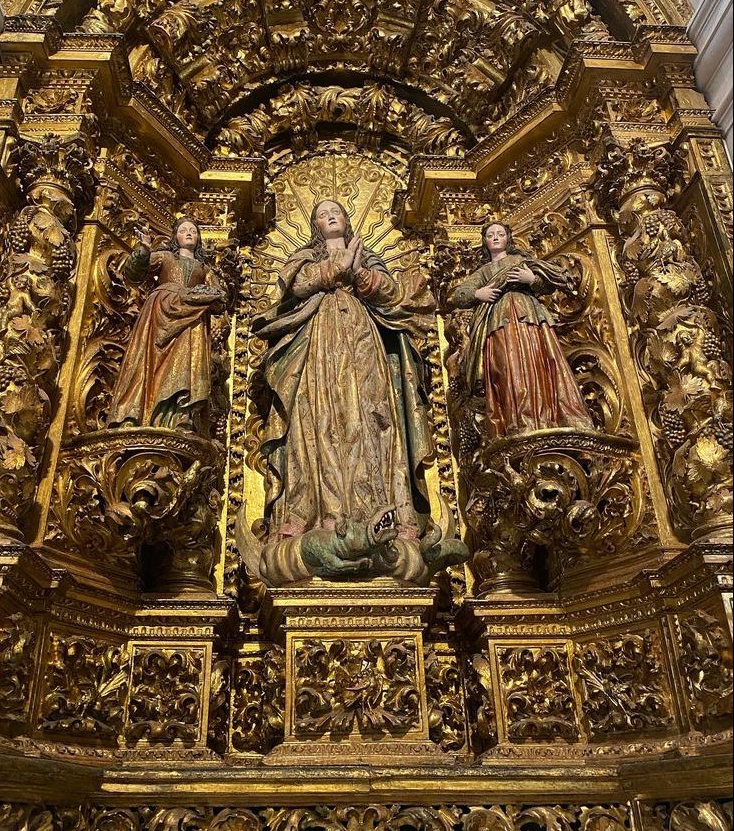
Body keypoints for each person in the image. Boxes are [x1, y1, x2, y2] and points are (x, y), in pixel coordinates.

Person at [252, 199, 435, 568]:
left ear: (347, 219)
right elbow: (298, 284)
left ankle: (382, 515)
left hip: (364, 339)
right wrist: (338, 267)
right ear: (315, 226)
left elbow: (390, 293)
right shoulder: (306, 256)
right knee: (318, 420)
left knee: (372, 419)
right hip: (318, 342)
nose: (330, 216)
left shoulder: (366, 254)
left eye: (335, 211)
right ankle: (319, 516)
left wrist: (361, 272)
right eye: (321, 214)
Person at [448, 221, 592, 439]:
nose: (496, 238)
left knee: (538, 362)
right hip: (499, 321)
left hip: (529, 317)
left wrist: (531, 279)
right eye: (490, 235)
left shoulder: (521, 261)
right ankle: (518, 421)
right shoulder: (483, 272)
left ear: (508, 238)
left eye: (500, 234)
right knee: (508, 367)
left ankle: (551, 417)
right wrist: (479, 294)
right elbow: (459, 295)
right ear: (485, 242)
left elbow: (549, 282)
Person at [107, 217, 225, 434]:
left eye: (193, 231)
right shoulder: (165, 257)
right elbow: (134, 275)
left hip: (191, 317)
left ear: (199, 239)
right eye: (183, 230)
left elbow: (220, 300)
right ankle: (134, 413)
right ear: (175, 237)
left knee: (185, 362)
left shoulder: (204, 269)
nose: (189, 233)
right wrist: (144, 248)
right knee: (147, 359)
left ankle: (180, 416)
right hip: (160, 312)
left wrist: (208, 295)